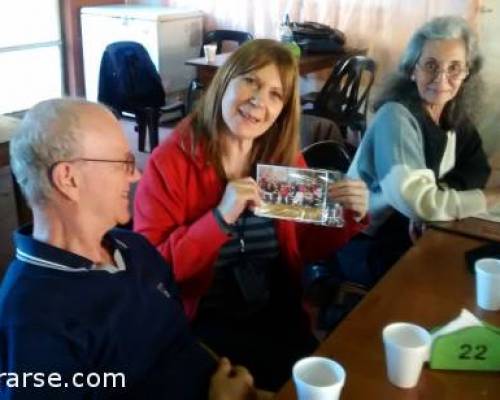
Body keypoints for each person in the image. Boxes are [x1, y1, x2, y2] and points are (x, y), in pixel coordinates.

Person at [133, 39, 369, 390]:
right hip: (203, 331)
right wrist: (218, 219)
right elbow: (152, 274)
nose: (260, 101)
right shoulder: (170, 162)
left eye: (276, 94)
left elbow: (305, 246)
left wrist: (350, 213)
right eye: (251, 82)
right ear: (224, 81)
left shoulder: (281, 158)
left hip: (280, 314)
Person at [0, 98, 259, 399]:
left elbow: (178, 339)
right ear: (69, 179)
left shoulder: (134, 248)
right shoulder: (32, 320)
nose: (136, 175)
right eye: (123, 162)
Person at [343, 16, 499, 286]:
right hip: (365, 240)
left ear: (466, 74)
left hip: (409, 229)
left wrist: (438, 197)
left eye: (454, 68)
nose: (442, 78)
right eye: (430, 65)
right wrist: (493, 197)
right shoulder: (397, 117)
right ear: (412, 70)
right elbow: (421, 203)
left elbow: (475, 167)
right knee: (448, 283)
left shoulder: (452, 111)